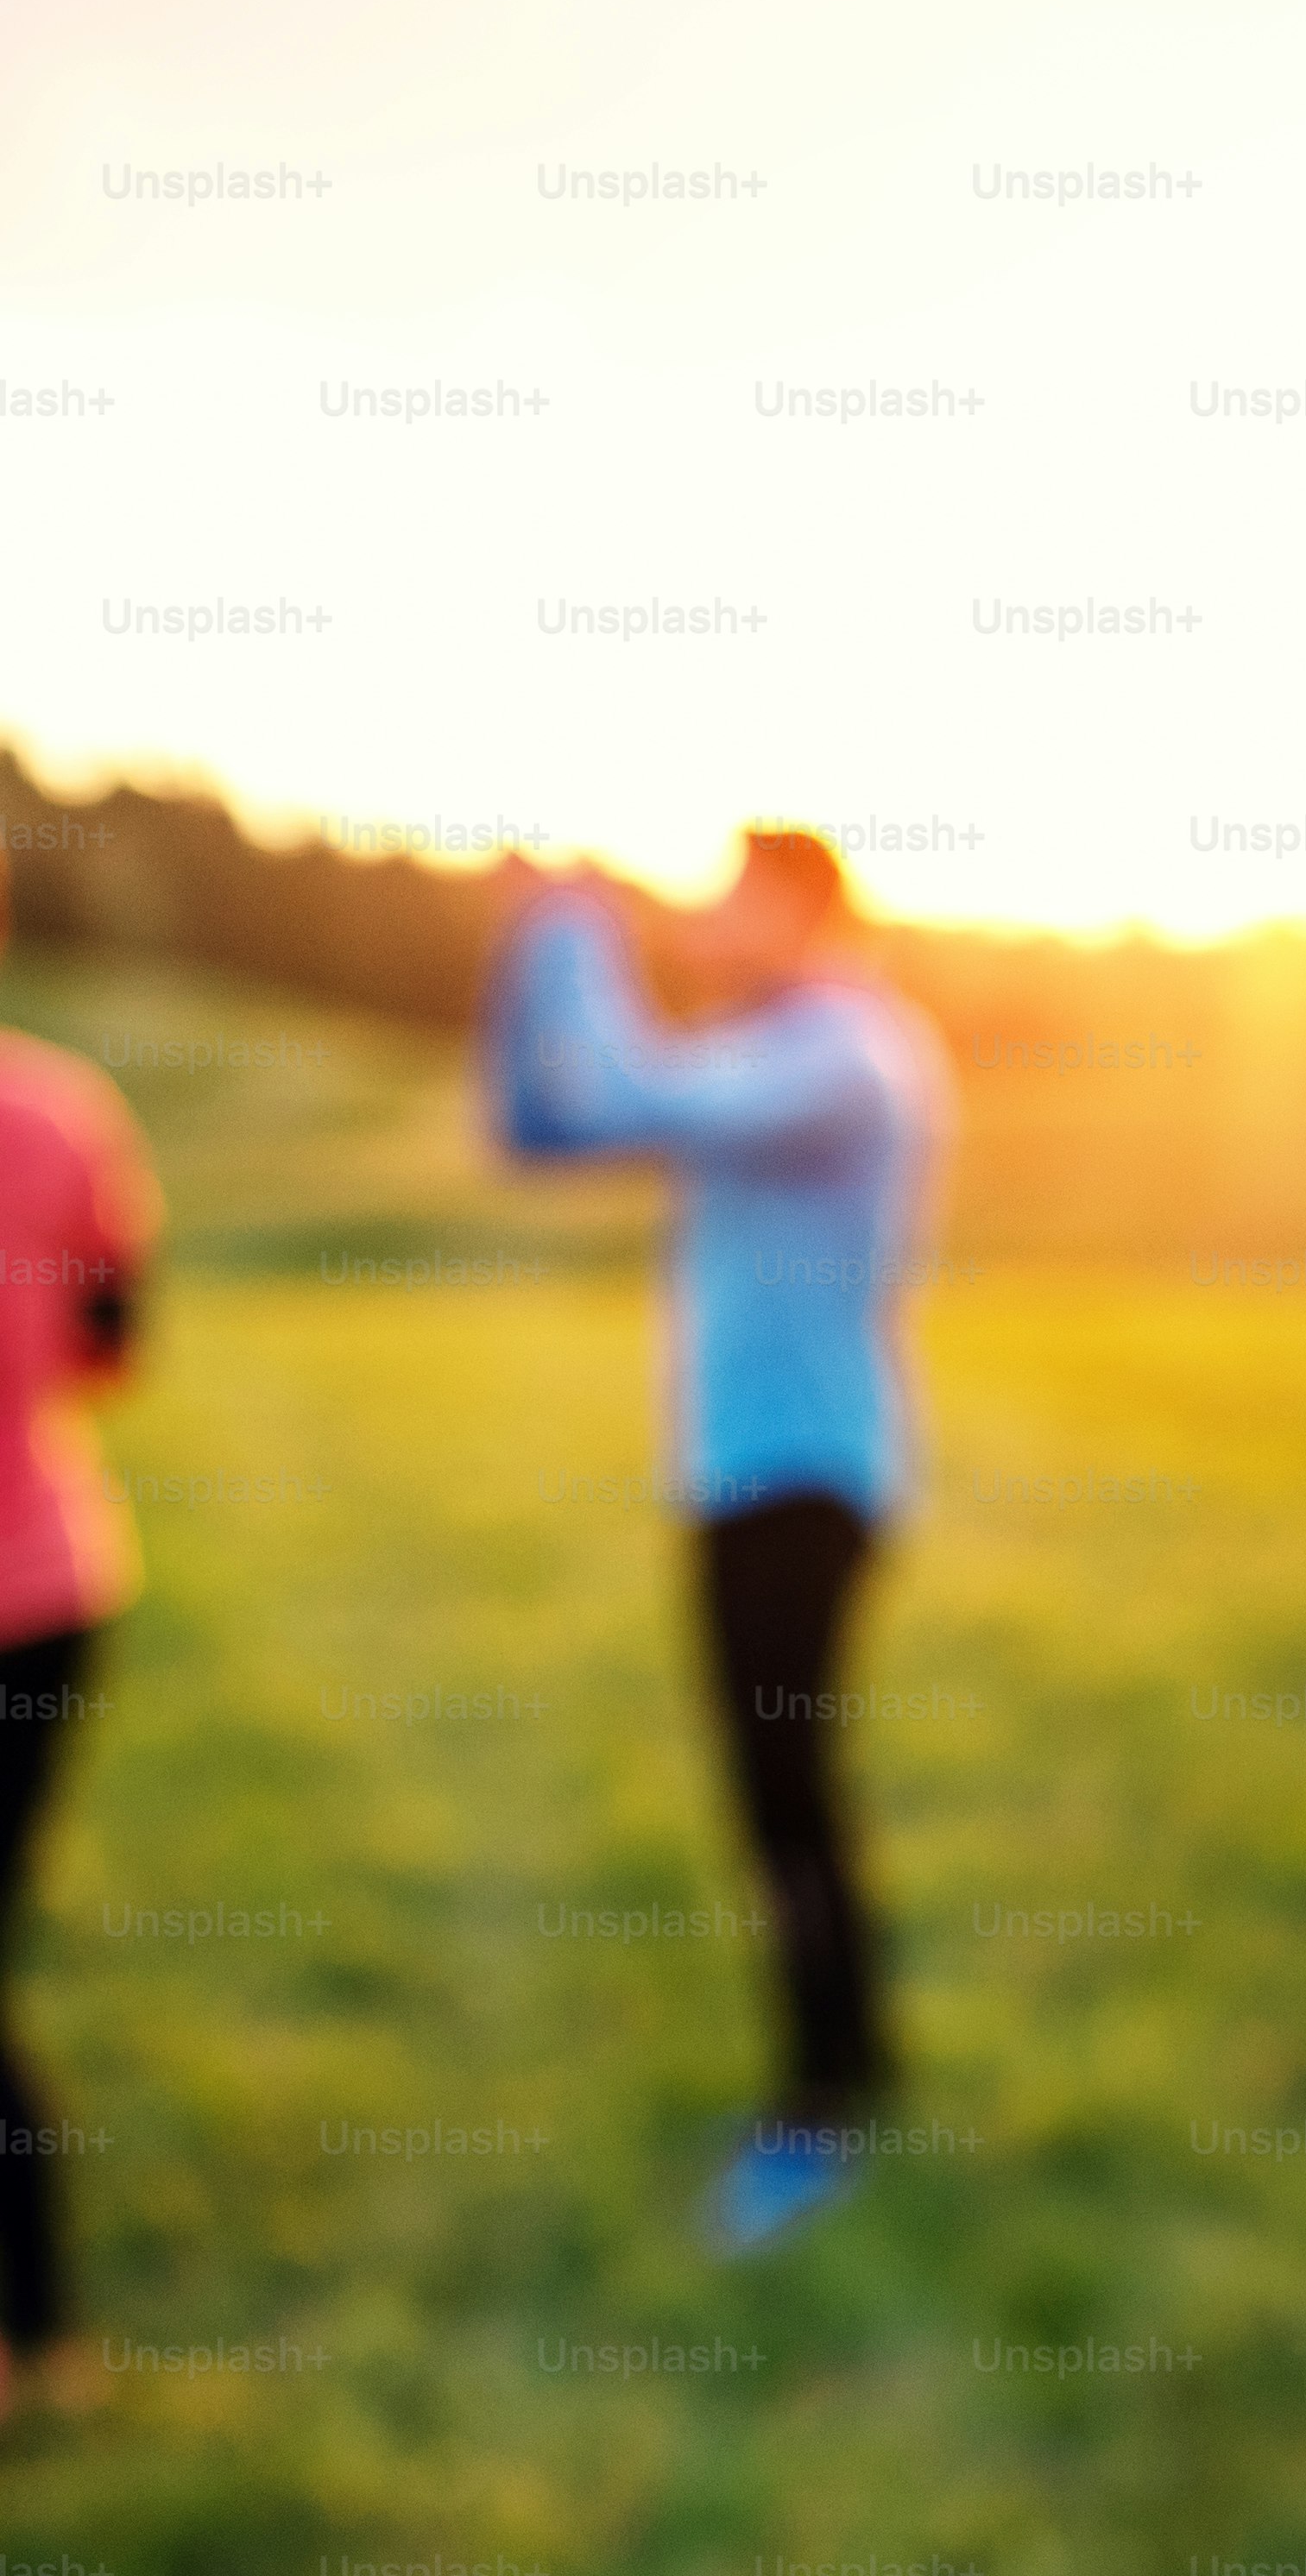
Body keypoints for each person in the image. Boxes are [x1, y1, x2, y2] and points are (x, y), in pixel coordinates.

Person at [486, 828, 946, 2253]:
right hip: (741, 1477)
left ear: (806, 908)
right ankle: (855, 2064)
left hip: (805, 1478)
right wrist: (526, 962)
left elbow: (624, 1083)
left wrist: (571, 931)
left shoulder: (846, 1054)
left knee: (786, 1796)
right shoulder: (755, 1053)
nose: (699, 915)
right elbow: (541, 1130)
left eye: (731, 893)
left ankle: (821, 2113)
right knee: (777, 1796)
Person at [0, 864, 157, 2420]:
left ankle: (39, 2334)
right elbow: (119, 1346)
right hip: (52, 1592)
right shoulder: (66, 1109)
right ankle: (44, 2335)